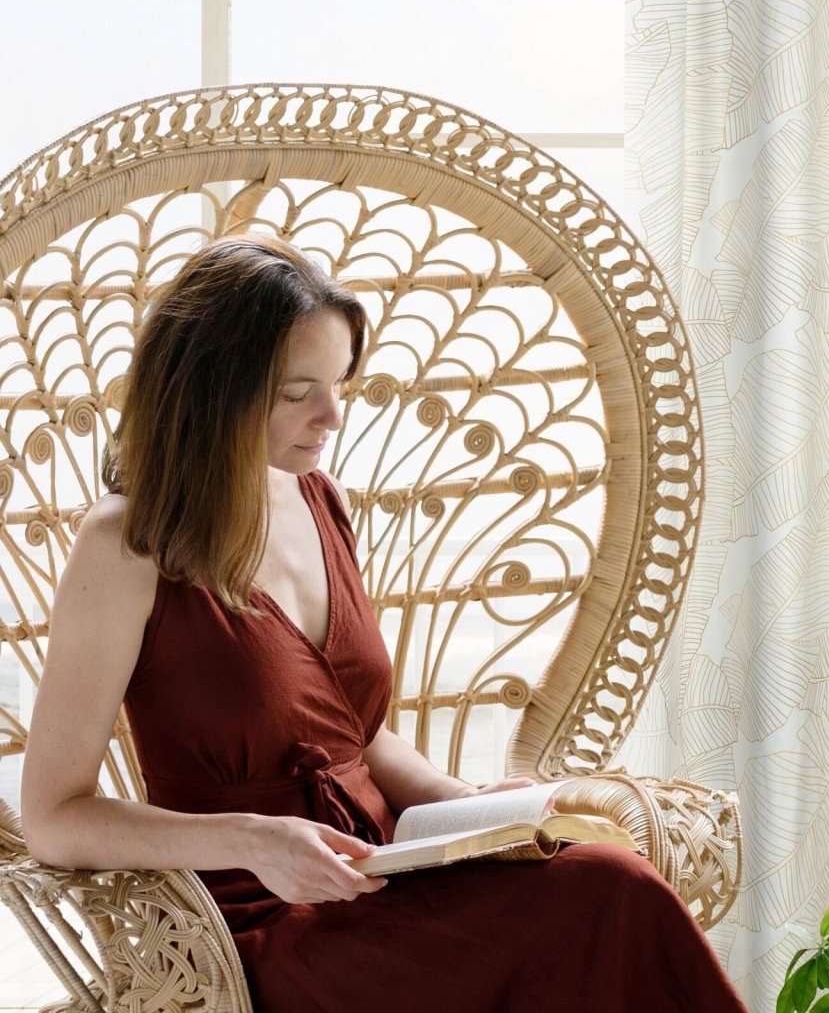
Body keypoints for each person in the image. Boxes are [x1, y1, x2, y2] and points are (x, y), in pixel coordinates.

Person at [21, 235, 747, 1012]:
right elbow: (54, 817)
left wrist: (475, 805)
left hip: (389, 871)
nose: (332, 414)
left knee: (605, 881)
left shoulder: (317, 496)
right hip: (256, 923)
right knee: (599, 907)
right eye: (299, 391)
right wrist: (253, 840)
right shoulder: (125, 545)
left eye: (338, 383)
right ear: (211, 389)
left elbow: (358, 739)